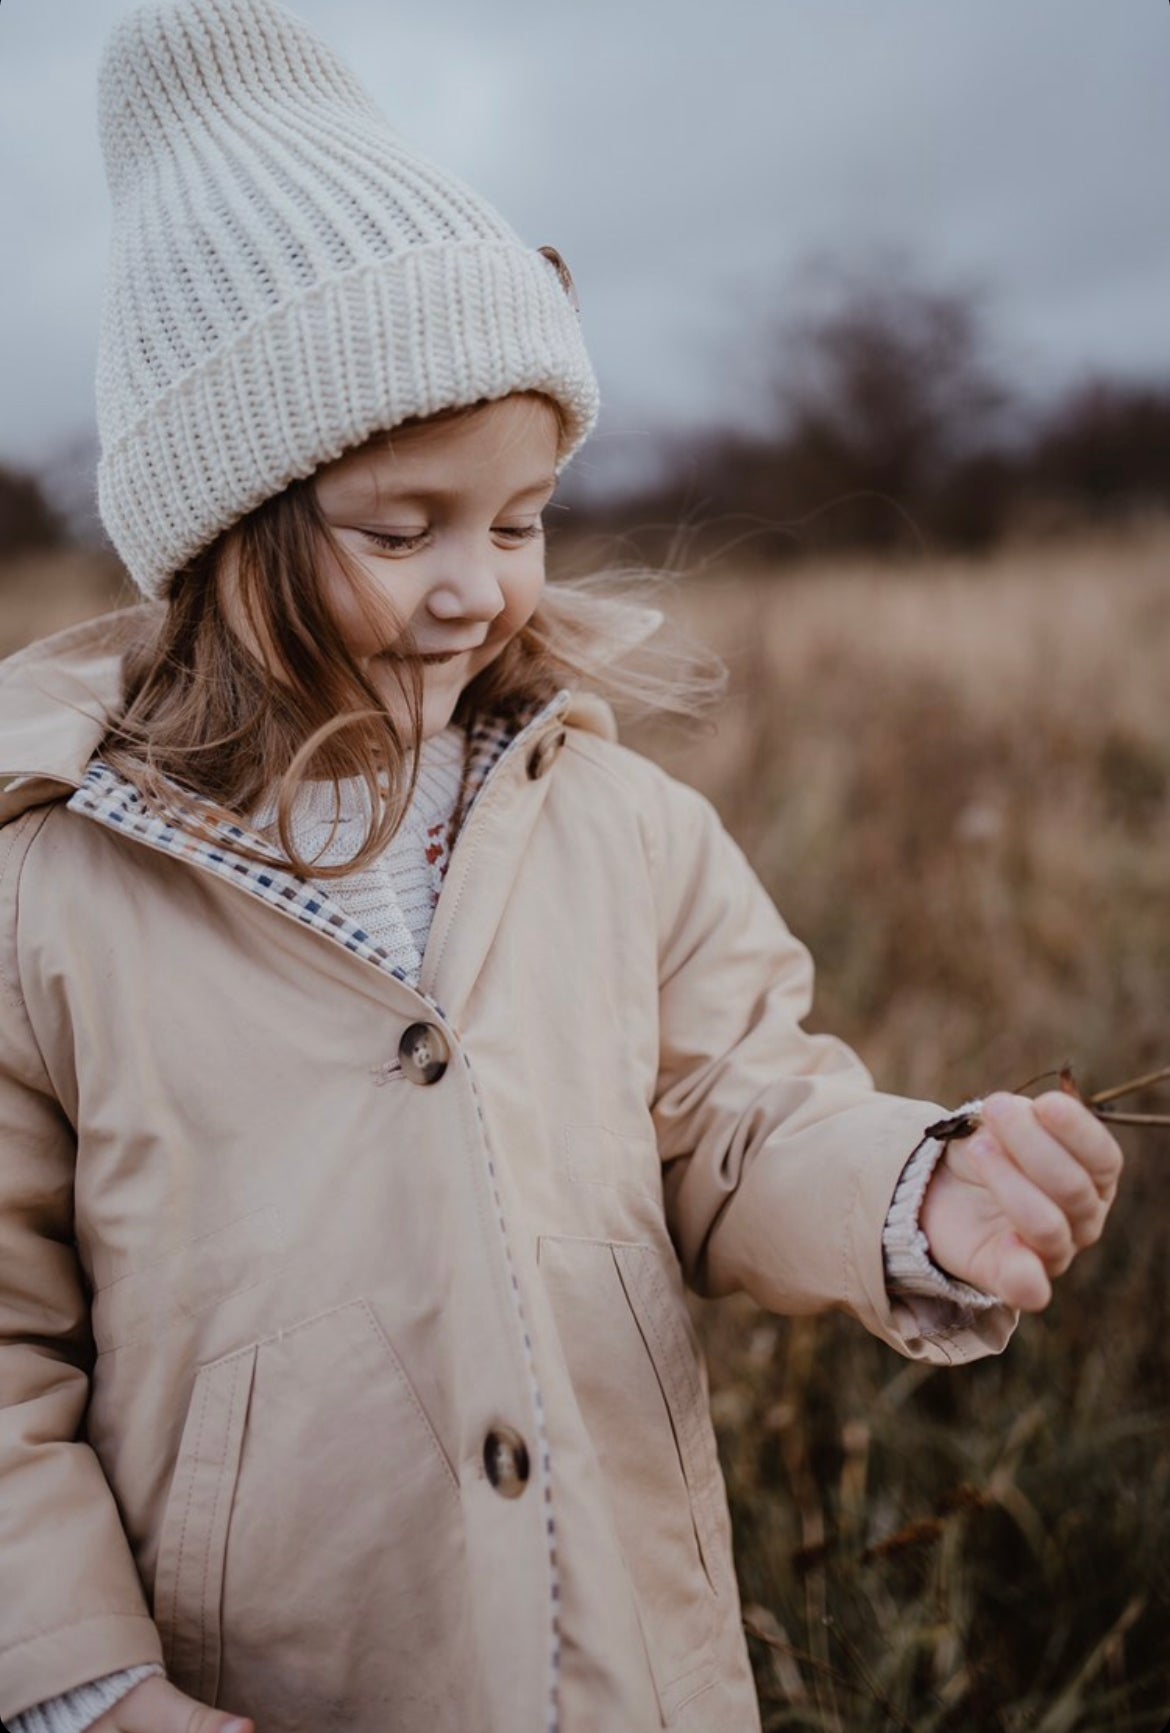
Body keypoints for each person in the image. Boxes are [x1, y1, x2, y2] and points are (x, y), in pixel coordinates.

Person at [0, 2, 1122, 1731]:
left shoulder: (619, 827)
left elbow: (735, 1117)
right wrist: (79, 1681)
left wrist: (907, 1186)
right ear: (223, 537)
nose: (479, 588)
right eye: (402, 528)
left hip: (616, 1662)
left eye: (519, 520)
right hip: (269, 1676)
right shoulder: (49, 899)